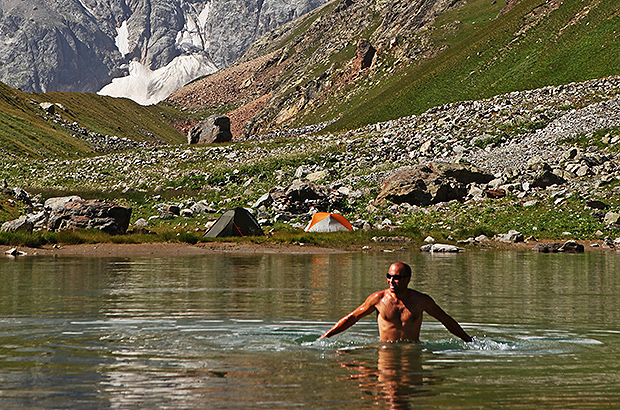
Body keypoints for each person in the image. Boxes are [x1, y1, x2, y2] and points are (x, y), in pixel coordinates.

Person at [320, 261, 472, 343]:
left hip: (411, 352)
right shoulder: (378, 299)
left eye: (397, 278)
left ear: (407, 279)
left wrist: (468, 340)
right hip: (386, 352)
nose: (391, 281)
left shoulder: (421, 301)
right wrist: (326, 336)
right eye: (389, 276)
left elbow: (445, 319)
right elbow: (352, 317)